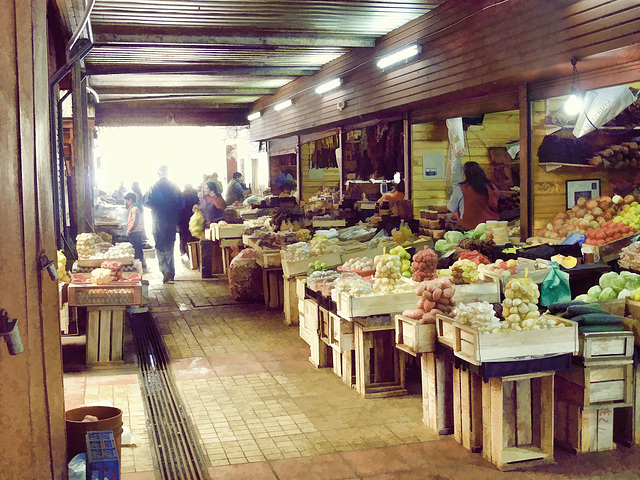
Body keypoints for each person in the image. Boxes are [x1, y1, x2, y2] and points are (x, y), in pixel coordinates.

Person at [143, 165, 184, 283]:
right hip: (171, 220)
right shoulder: (174, 187)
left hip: (157, 220)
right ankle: (170, 273)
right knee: (170, 246)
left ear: (158, 174)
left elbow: (145, 201)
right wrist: (171, 208)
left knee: (159, 246)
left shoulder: (153, 187)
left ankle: (165, 271)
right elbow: (182, 203)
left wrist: (157, 207)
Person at [447, 161, 499, 230]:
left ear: (466, 174)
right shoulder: (491, 186)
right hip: (491, 226)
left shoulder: (460, 189)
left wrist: (457, 213)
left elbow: (451, 206)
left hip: (469, 227)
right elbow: (495, 202)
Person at [124, 193, 145, 267]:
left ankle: (138, 265)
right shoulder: (138, 207)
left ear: (131, 199)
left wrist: (129, 230)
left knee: (135, 249)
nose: (127, 203)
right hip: (138, 230)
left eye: (127, 201)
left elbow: (135, 222)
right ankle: (142, 263)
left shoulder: (134, 209)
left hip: (135, 231)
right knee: (139, 248)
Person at [179, 184, 200, 256]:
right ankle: (193, 253)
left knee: (183, 235)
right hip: (193, 218)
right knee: (192, 236)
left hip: (183, 218)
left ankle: (183, 250)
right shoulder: (195, 195)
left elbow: (180, 207)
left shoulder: (182, 195)